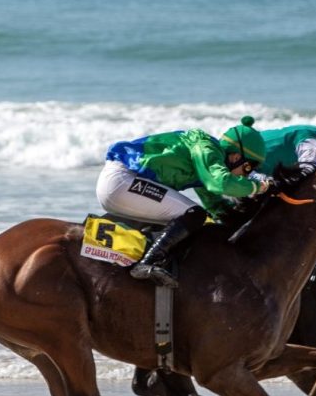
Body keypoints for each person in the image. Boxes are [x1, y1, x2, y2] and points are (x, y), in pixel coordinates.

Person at [96, 116, 270, 287]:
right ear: (235, 157)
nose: (245, 175)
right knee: (194, 214)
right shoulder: (207, 147)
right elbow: (221, 183)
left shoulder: (208, 164)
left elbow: (215, 206)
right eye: (248, 168)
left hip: (122, 183)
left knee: (191, 219)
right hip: (122, 181)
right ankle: (147, 263)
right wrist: (256, 187)